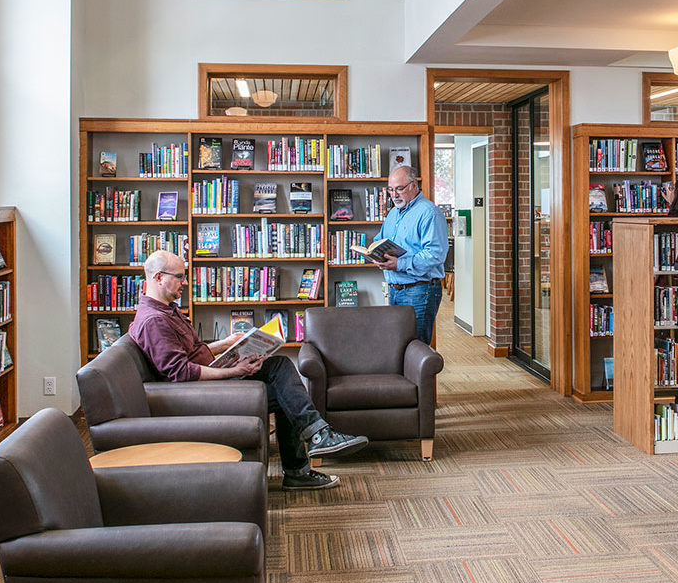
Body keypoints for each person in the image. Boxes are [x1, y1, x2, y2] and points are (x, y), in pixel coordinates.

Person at [128, 250, 366, 490]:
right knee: (283, 379)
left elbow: (190, 354)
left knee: (285, 383)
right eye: (180, 277)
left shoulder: (167, 310)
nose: (186, 282)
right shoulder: (154, 321)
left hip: (203, 383)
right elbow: (180, 373)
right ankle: (313, 444)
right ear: (158, 277)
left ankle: (302, 464)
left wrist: (226, 344)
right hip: (195, 396)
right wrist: (233, 370)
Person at [371, 166, 448, 344]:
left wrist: (399, 264)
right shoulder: (393, 213)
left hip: (420, 290)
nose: (394, 195)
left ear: (414, 186)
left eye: (399, 189)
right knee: (398, 347)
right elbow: (380, 239)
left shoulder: (429, 213)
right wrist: (376, 255)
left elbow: (435, 254)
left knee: (416, 348)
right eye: (390, 189)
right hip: (395, 290)